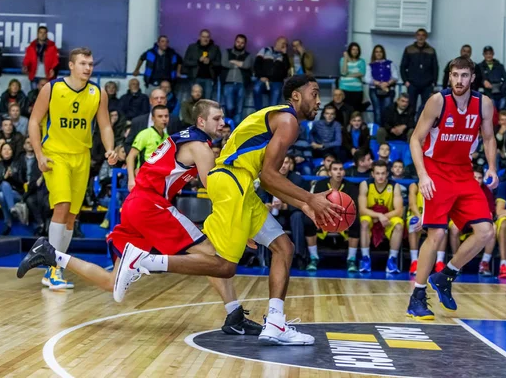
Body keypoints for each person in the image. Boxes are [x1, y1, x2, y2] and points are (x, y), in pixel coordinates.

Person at [113, 75, 340, 346]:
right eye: (314, 93)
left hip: (240, 186)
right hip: (233, 184)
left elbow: (268, 179)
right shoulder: (289, 121)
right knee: (224, 266)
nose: (318, 100)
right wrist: (310, 198)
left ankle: (276, 322)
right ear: (295, 97)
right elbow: (269, 177)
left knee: (284, 247)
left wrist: (304, 204)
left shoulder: (276, 117)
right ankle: (143, 260)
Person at [19, 100, 265, 337]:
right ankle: (232, 314)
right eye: (217, 118)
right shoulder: (200, 147)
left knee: (111, 282)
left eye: (222, 118)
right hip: (150, 203)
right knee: (213, 255)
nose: (222, 123)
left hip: (135, 205)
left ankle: (51, 254)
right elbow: (217, 190)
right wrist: (243, 226)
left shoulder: (183, 137)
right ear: (201, 121)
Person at [406, 56, 498, 320]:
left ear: (473, 78)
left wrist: (491, 167)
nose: (459, 80)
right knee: (435, 234)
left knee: (485, 231)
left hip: (464, 173)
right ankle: (417, 297)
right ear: (449, 76)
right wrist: (423, 176)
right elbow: (415, 139)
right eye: (455, 75)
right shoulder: (438, 101)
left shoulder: (484, 104)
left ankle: (446, 275)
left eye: (464, 76)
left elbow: (489, 137)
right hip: (436, 171)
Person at [28, 47, 117, 290]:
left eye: (90, 64)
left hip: (81, 157)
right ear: (71, 65)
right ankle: (52, 268)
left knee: (71, 216)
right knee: (63, 205)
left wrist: (110, 149)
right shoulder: (52, 88)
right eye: (83, 63)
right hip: (55, 155)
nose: (88, 68)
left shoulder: (97, 93)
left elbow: (105, 126)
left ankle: (55, 266)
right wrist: (39, 154)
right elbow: (34, 121)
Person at [305, 161, 360, 272]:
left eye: (341, 169)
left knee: (356, 222)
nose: (338, 172)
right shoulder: (321, 185)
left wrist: (344, 219)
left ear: (344, 172)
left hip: (343, 218)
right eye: (335, 169)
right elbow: (315, 205)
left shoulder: (351, 187)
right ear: (330, 172)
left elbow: (354, 208)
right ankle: (313, 258)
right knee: (308, 221)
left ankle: (351, 260)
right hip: (324, 217)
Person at [358, 161, 404, 273]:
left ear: (387, 173)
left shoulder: (394, 186)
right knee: (364, 222)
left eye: (383, 173)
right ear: (373, 174)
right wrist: (379, 215)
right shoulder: (365, 184)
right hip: (371, 215)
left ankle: (391, 260)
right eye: (377, 173)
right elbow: (362, 210)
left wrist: (382, 217)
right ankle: (365, 259)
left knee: (399, 224)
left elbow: (399, 211)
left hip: (388, 217)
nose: (380, 176)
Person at [406, 182, 449, 275]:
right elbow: (412, 204)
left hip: (432, 216)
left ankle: (439, 262)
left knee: (443, 226)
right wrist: (421, 218)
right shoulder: (414, 186)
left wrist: (426, 218)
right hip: (417, 215)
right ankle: (414, 262)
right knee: (413, 224)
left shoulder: (438, 185)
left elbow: (441, 205)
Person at [126, 105, 169, 189]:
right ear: (153, 119)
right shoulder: (145, 134)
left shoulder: (168, 138)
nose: (164, 119)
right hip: (144, 179)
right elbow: (130, 157)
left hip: (160, 182)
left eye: (166, 116)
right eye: (160, 116)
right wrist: (131, 179)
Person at [400, 28, 438, 117]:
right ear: (415, 36)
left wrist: (434, 82)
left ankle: (423, 128)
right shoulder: (409, 49)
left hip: (427, 84)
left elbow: (435, 67)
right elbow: (402, 66)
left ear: (426, 37)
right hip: (412, 84)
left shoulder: (431, 50)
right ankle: (411, 128)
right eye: (419, 35)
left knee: (426, 107)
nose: (421, 37)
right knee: (410, 107)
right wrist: (405, 81)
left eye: (423, 35)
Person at [0, 142, 26, 234]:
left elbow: (22, 183)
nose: (7, 151)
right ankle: (12, 208)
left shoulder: (18, 165)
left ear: (12, 152)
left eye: (9, 149)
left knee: (2, 195)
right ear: (0, 152)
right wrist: (4, 178)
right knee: (4, 184)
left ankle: (8, 222)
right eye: (4, 149)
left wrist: (12, 177)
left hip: (15, 193)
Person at [221, 34, 253, 124]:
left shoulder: (248, 55)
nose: (239, 44)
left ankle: (236, 132)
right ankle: (228, 128)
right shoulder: (227, 52)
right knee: (229, 107)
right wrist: (240, 64)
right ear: (235, 42)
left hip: (241, 84)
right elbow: (224, 63)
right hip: (228, 83)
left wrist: (233, 62)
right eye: (238, 42)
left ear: (245, 44)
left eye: (242, 43)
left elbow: (246, 65)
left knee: (239, 110)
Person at [253, 37, 290, 110]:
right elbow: (256, 64)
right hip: (263, 79)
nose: (284, 45)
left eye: (286, 44)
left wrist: (285, 54)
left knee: (275, 100)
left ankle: (270, 117)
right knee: (256, 89)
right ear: (277, 42)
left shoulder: (283, 56)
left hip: (277, 81)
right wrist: (261, 76)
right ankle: (258, 112)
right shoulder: (265, 50)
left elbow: (286, 69)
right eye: (282, 43)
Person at [183, 29, 221, 100]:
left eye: (207, 37)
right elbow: (186, 62)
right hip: (195, 78)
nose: (205, 39)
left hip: (209, 79)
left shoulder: (215, 48)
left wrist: (210, 62)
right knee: (194, 100)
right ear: (199, 37)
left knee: (207, 100)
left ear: (210, 38)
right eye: (203, 37)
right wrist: (198, 61)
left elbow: (219, 63)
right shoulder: (192, 47)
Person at [366, 45, 398, 125]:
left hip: (388, 89)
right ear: (374, 53)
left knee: (387, 111)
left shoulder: (390, 63)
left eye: (380, 51)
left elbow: (395, 76)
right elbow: (367, 79)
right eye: (376, 52)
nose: (379, 53)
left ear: (383, 53)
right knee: (377, 111)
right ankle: (377, 133)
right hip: (374, 90)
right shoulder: (370, 65)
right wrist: (379, 84)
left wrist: (387, 83)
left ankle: (386, 131)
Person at [479, 46, 506, 111]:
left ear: (493, 54)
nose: (488, 55)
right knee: (491, 114)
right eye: (486, 54)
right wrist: (483, 82)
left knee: (503, 114)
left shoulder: (499, 66)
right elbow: (476, 80)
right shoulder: (479, 67)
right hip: (488, 94)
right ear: (483, 55)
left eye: (490, 53)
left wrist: (502, 87)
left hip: (501, 94)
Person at [339, 43, 366, 111]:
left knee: (356, 111)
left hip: (357, 90)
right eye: (353, 49)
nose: (355, 51)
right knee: (345, 111)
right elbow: (343, 72)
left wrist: (348, 75)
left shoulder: (361, 61)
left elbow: (362, 73)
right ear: (349, 50)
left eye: (357, 49)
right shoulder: (343, 59)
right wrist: (345, 58)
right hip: (344, 89)